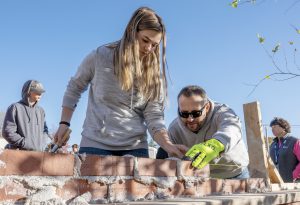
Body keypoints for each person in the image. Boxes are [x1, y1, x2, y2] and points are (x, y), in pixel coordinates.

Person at [54, 7, 186, 158]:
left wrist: (167, 144)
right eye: (145, 40)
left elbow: (154, 116)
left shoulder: (154, 74)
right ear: (132, 31)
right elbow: (74, 88)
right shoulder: (100, 56)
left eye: (155, 44)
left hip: (135, 148)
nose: (149, 48)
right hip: (95, 145)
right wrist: (64, 123)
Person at [157, 85, 249, 179]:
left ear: (207, 107)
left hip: (236, 174)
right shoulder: (174, 129)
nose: (190, 119)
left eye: (196, 113)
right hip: (203, 178)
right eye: (184, 114)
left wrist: (216, 145)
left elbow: (232, 129)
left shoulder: (223, 112)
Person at [2, 80, 49, 151]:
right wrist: (25, 143)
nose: (40, 94)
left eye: (41, 92)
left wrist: (42, 144)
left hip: (37, 155)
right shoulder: (15, 107)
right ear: (28, 91)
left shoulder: (41, 111)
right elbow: (8, 132)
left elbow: (45, 131)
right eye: (37, 92)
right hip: (19, 155)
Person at [269, 117, 300, 182]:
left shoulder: (295, 141)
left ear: (283, 127)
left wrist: (293, 176)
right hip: (276, 184)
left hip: (294, 183)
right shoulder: (272, 145)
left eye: (274, 126)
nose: (272, 129)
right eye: (271, 127)